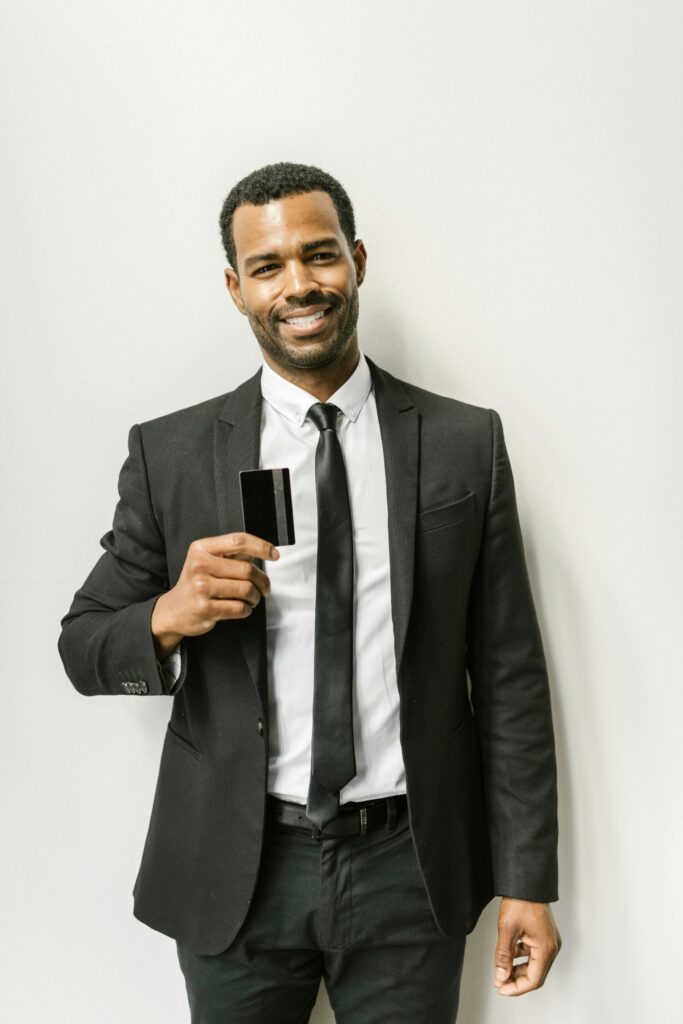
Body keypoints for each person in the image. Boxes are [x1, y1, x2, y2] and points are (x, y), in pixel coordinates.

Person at [58, 161, 561, 1023]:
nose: (299, 284)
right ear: (235, 287)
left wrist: (527, 882)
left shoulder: (460, 444)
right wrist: (166, 619)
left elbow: (508, 675)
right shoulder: (170, 455)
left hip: (411, 864)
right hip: (237, 867)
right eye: (268, 266)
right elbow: (82, 647)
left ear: (357, 260)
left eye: (318, 255)